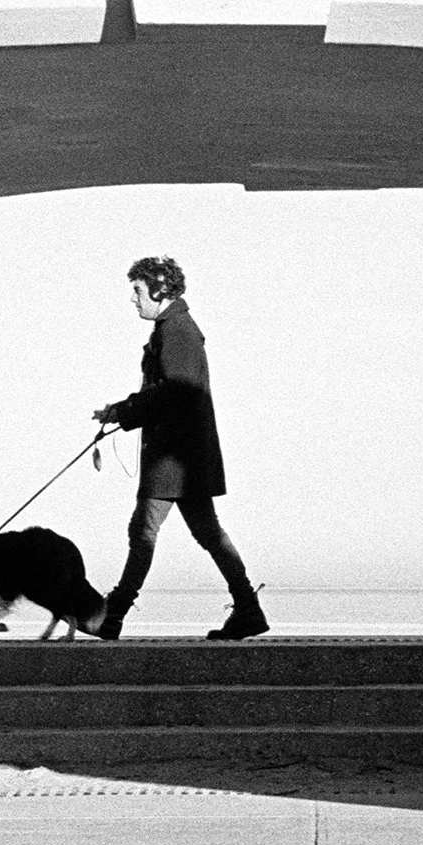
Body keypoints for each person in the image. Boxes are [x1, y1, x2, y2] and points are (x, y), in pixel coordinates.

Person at [91, 256, 268, 641]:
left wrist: (125, 410)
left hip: (175, 458)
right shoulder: (174, 328)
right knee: (205, 532)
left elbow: (175, 391)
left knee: (144, 531)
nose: (133, 300)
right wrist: (121, 411)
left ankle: (112, 615)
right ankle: (248, 610)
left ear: (159, 288)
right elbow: (172, 391)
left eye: (138, 291)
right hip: (184, 456)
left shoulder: (177, 330)